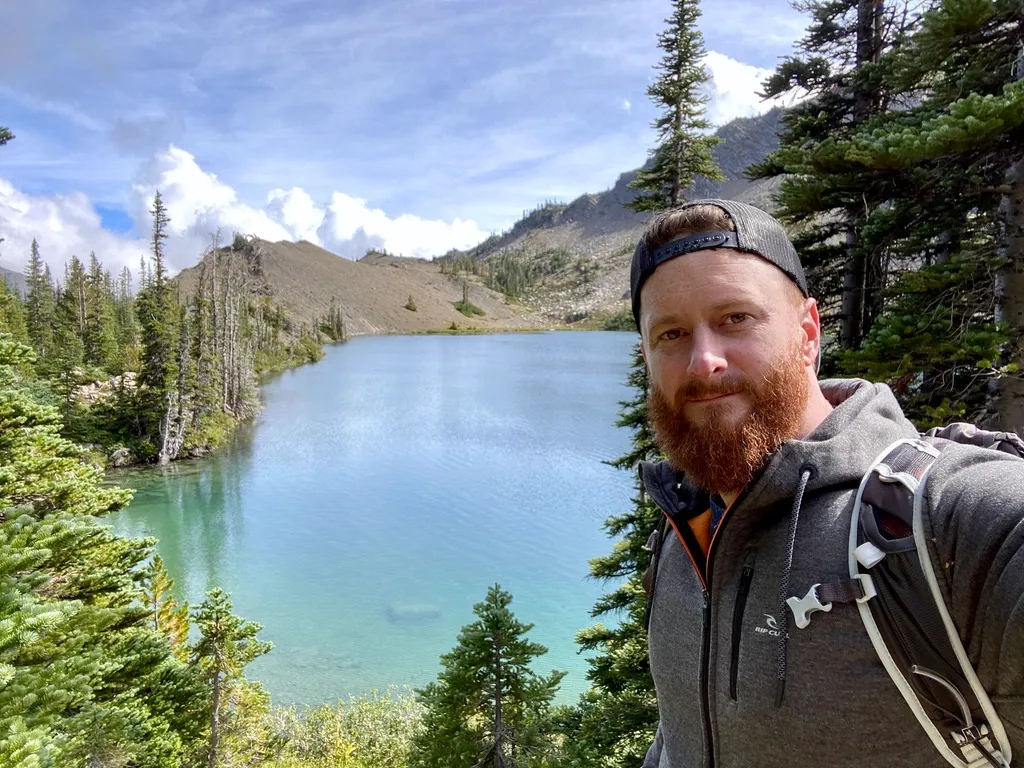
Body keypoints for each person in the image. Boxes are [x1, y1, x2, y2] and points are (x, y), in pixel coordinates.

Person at [630, 199, 1024, 768]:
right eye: (670, 333)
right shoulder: (686, 523)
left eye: (736, 318)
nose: (703, 361)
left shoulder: (943, 518)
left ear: (809, 332)